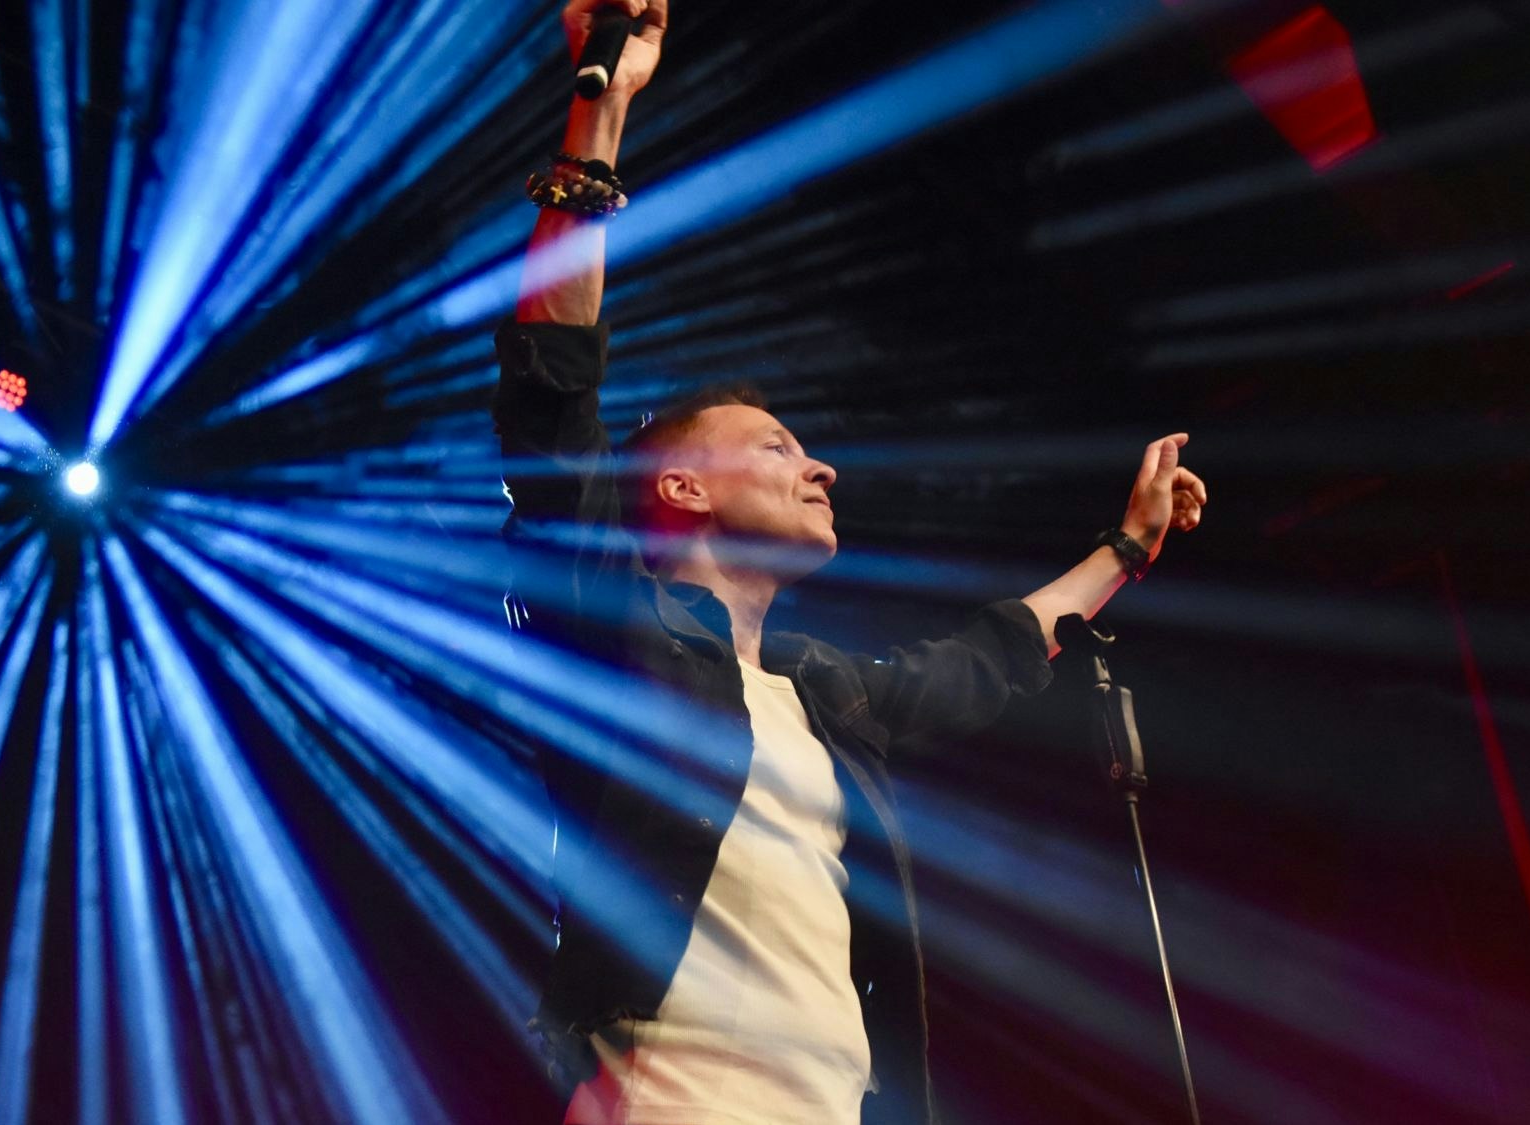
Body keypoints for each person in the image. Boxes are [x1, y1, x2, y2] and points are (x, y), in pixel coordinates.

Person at [492, 2, 1209, 1122]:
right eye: (776, 449)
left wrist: (1122, 549)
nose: (818, 469)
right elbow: (549, 392)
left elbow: (985, 656)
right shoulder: (616, 629)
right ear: (679, 490)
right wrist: (602, 103)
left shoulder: (823, 697)